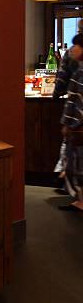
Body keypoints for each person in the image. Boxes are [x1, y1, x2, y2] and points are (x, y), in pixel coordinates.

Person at [52, 26, 81, 192]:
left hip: (77, 119)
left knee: (72, 147)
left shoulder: (72, 58)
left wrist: (56, 94)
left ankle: (65, 175)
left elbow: (62, 79)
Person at [60, 32, 83, 212]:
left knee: (76, 163)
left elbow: (74, 101)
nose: (72, 50)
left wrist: (67, 124)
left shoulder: (80, 72)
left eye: (76, 46)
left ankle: (80, 201)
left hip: (78, 127)